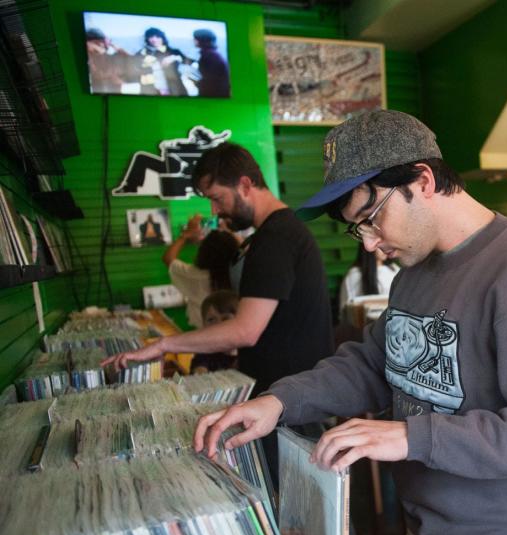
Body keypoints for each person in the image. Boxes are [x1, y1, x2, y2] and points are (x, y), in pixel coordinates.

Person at [192, 109, 507, 535]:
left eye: (372, 217)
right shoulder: (416, 273)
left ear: (423, 181)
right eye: (359, 227)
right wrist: (278, 402)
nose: (371, 242)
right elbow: (372, 364)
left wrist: (411, 437)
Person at [105, 142, 336, 486]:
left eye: (217, 197)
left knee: (303, 508)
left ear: (245, 185)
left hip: (291, 399)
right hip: (283, 394)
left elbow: (245, 330)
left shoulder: (276, 239)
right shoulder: (271, 236)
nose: (215, 209)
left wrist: (165, 345)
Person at [163, 214, 238, 328]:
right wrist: (229, 233)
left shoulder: (195, 275)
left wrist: (186, 235)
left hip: (203, 335)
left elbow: (168, 258)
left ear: (203, 252)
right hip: (235, 335)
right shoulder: (239, 274)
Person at [338, 243, 399, 315]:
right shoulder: (355, 275)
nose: (386, 248)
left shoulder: (394, 269)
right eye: (380, 244)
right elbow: (347, 311)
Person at [191, 290, 239, 374]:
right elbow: (199, 370)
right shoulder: (204, 354)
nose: (218, 325)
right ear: (203, 324)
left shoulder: (250, 350)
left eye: (225, 319)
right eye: (211, 320)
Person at [137, 27, 189, 96]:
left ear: (163, 38)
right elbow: (133, 68)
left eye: (157, 37)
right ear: (147, 39)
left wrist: (174, 58)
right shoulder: (142, 53)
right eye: (151, 37)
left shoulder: (174, 52)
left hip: (173, 89)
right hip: (150, 90)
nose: (154, 40)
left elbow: (189, 62)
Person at [193, 29, 230, 98]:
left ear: (201, 40)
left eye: (195, 38)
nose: (193, 41)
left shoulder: (209, 56)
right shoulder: (212, 54)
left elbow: (211, 82)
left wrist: (195, 83)